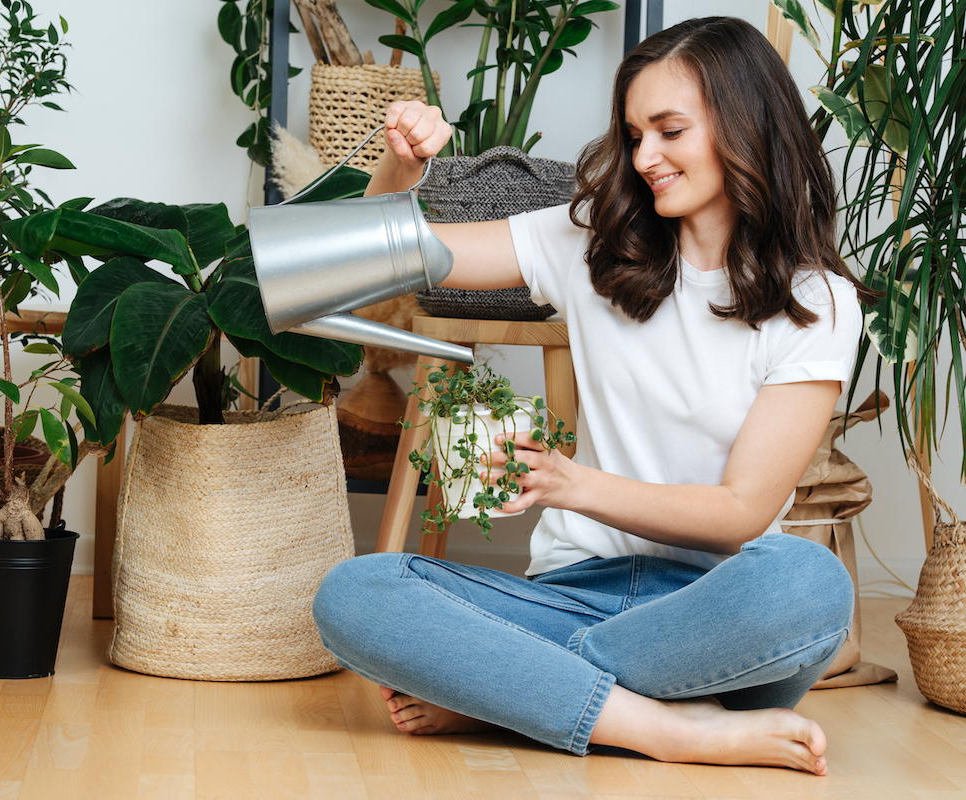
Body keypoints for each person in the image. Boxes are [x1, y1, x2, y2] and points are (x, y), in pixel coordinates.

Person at [311, 16, 878, 776]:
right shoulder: (586, 242)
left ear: (746, 126)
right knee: (356, 591)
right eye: (634, 133)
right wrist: (401, 169)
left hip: (714, 617)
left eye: (670, 130)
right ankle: (667, 728)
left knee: (811, 586)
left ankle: (512, 688)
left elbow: (742, 513)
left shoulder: (817, 300)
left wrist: (571, 484)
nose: (645, 157)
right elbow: (363, 262)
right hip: (570, 593)